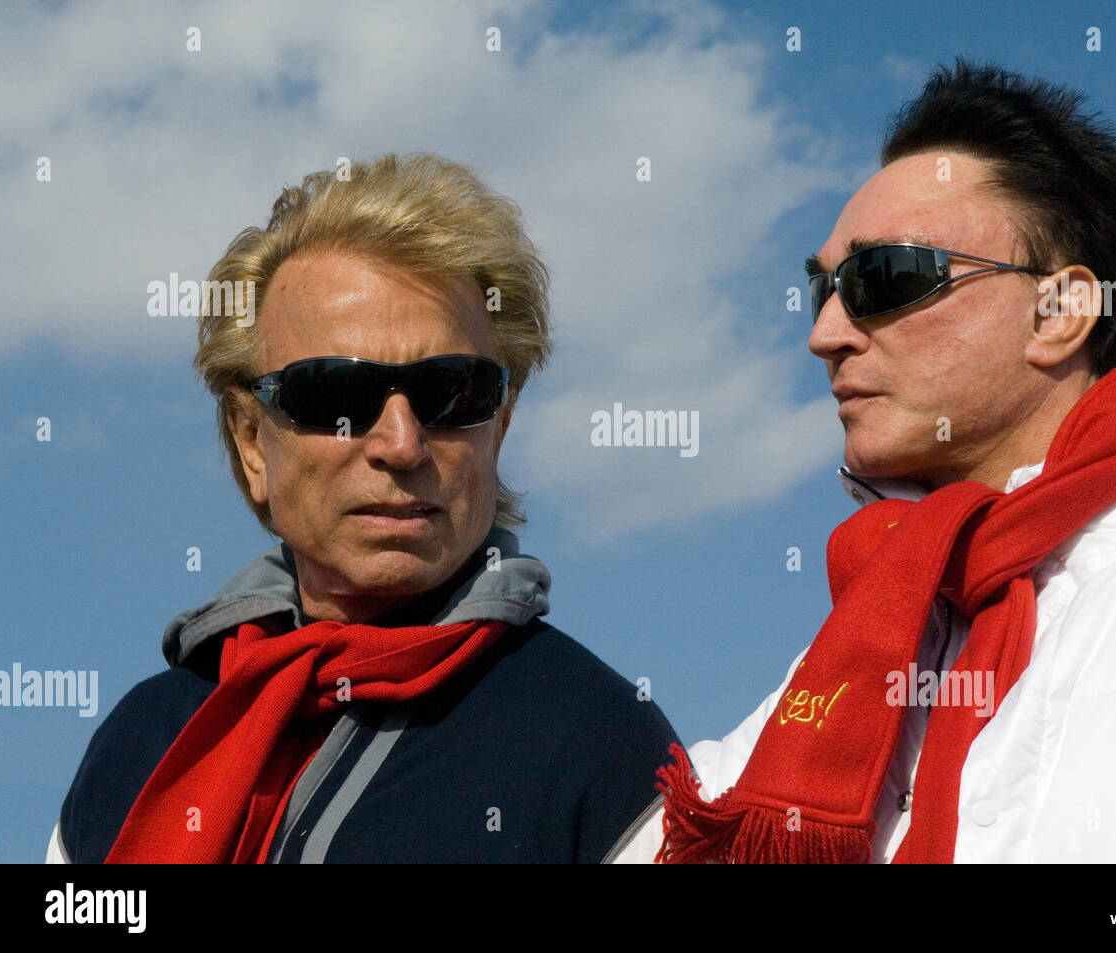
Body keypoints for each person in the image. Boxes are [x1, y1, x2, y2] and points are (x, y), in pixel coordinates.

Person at [612, 60, 1116, 863]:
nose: (825, 333)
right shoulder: (847, 659)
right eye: (821, 289)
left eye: (884, 276)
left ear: (1060, 311)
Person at [49, 154, 679, 864]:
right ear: (252, 439)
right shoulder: (138, 746)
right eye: (337, 394)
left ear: (499, 425)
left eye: (453, 392)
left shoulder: (606, 749)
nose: (402, 443)